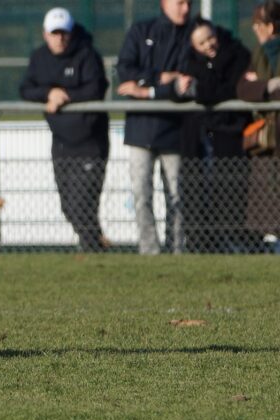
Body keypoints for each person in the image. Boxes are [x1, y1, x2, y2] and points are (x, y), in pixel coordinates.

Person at [19, 7, 110, 253]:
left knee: (83, 204)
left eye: (64, 33)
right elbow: (26, 89)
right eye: (54, 33)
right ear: (45, 34)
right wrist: (49, 93)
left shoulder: (87, 54)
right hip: (60, 141)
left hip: (90, 142)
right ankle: (96, 247)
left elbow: (96, 88)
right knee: (68, 207)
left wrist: (65, 96)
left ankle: (93, 249)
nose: (60, 38)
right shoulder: (39, 57)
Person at [116, 0, 192, 254]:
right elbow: (125, 71)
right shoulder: (141, 31)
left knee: (177, 195)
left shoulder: (192, 35)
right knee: (141, 194)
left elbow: (185, 84)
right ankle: (149, 251)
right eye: (180, 3)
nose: (185, 8)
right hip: (141, 130)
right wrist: (162, 78)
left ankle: (176, 250)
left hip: (176, 129)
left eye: (189, 3)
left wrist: (146, 90)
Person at [175, 18, 252, 253]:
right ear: (193, 46)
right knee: (198, 191)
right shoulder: (187, 61)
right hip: (199, 137)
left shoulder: (237, 53)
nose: (209, 45)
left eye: (210, 38)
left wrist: (201, 89)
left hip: (229, 134)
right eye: (202, 43)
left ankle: (236, 243)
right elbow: (183, 91)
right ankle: (201, 245)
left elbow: (229, 89)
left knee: (231, 191)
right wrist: (184, 88)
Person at [237, 1, 280, 249]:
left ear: (270, 26)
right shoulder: (258, 54)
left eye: (258, 24)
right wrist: (271, 85)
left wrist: (261, 86)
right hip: (267, 140)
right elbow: (243, 88)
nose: (254, 29)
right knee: (268, 205)